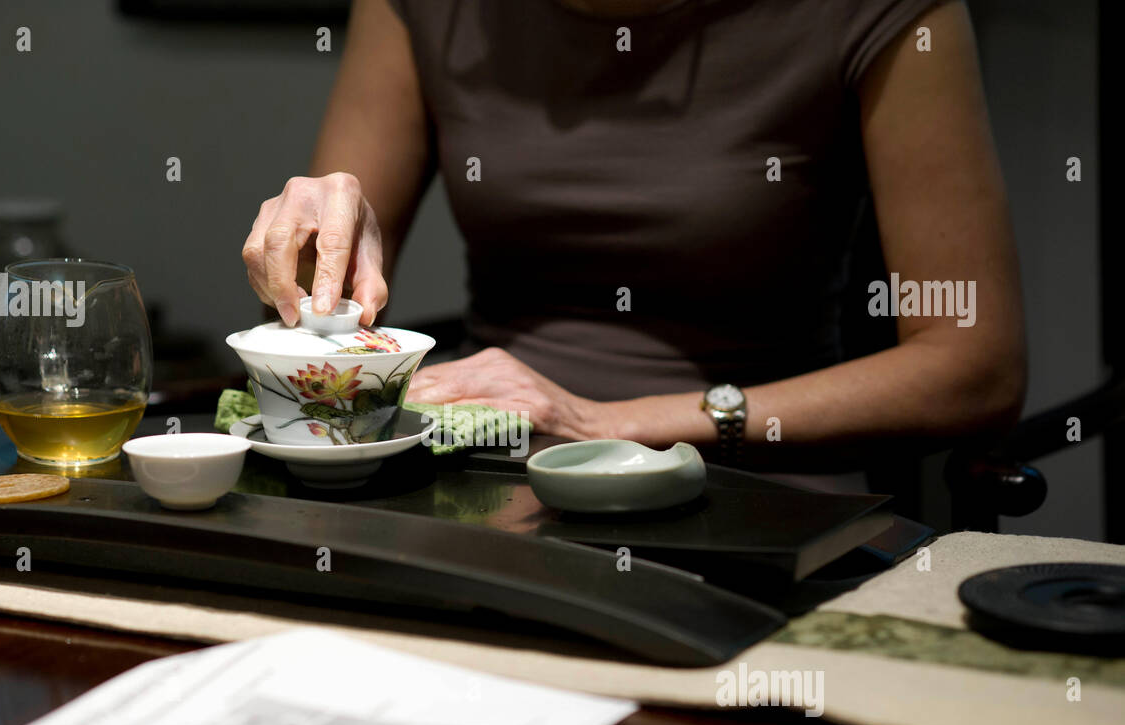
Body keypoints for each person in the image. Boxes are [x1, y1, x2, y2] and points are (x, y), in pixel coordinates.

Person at [242, 0, 1025, 480]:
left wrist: (608, 423)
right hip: (494, 474)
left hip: (753, 486)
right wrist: (321, 234)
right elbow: (327, 288)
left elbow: (975, 366)